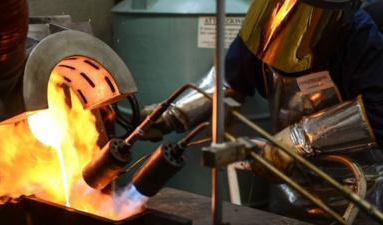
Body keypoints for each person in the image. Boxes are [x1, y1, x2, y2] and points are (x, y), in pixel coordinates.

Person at [144, 0, 383, 224]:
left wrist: (297, 140)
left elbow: (377, 112)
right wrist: (172, 114)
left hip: (354, 191)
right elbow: (229, 82)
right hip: (288, 186)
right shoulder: (268, 26)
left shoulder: (358, 35)